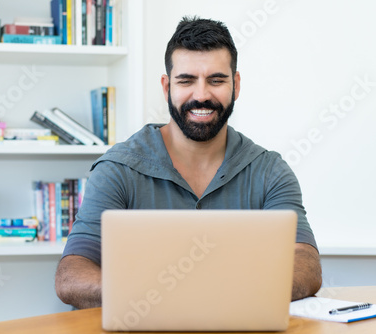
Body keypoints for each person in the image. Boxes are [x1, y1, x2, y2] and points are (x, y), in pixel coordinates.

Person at [55, 16, 322, 309]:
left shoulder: (270, 171)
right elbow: (71, 275)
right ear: (167, 86)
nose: (202, 95)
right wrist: (157, 296)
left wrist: (218, 294)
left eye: (216, 80)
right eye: (186, 80)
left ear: (236, 84)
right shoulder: (117, 169)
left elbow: (306, 264)